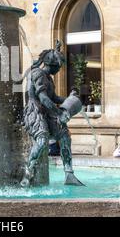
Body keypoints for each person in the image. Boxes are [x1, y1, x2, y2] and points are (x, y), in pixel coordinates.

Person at [21, 40, 83, 187]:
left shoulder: (48, 78)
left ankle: (69, 174)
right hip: (35, 113)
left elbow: (54, 98)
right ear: (53, 65)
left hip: (47, 112)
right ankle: (27, 173)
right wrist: (59, 113)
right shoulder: (37, 74)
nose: (59, 70)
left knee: (64, 135)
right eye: (59, 66)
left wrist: (70, 98)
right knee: (42, 140)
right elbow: (43, 98)